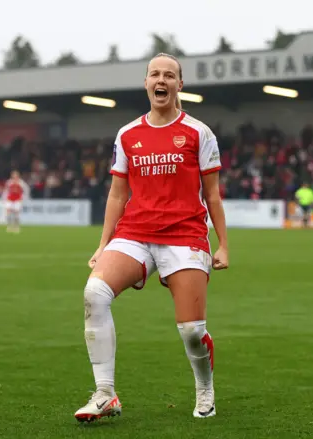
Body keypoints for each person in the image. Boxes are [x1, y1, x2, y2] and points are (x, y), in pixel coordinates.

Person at [74, 53, 229, 422]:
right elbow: (117, 194)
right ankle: (105, 393)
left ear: (179, 85)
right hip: (136, 232)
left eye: (170, 75)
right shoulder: (128, 134)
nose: (162, 80)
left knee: (192, 330)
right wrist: (103, 244)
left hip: (185, 234)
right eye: (155, 74)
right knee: (94, 293)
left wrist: (222, 244)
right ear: (146, 83)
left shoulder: (198, 133)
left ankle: (204, 388)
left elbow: (213, 195)